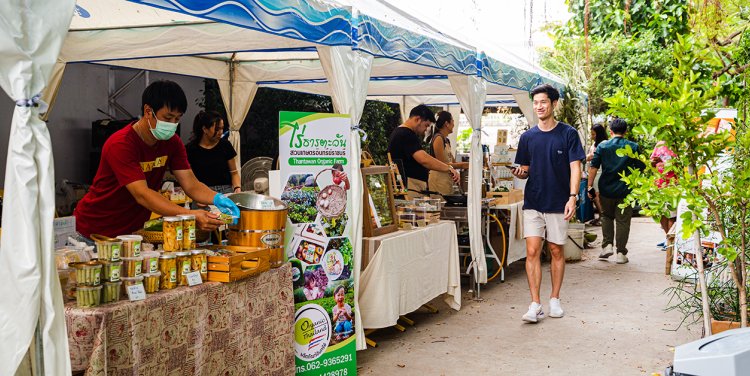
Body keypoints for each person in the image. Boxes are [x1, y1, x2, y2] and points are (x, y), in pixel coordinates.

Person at [74, 80, 240, 239]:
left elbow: (191, 184)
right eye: (168, 118)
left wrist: (219, 198)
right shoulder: (121, 144)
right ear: (148, 111)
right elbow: (142, 194)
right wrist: (191, 214)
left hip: (130, 232)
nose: (173, 124)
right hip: (92, 232)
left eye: (177, 118)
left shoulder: (172, 143)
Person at [512, 84, 585, 323]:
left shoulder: (568, 134)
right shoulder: (527, 137)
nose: (539, 106)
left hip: (558, 201)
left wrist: (573, 197)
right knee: (532, 251)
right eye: (536, 102)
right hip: (533, 201)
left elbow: (576, 167)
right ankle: (535, 304)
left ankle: (555, 299)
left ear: (554, 104)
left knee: (555, 250)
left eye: (543, 102)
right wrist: (521, 173)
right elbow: (525, 169)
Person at [587, 118, 645, 264]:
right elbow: (641, 166)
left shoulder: (602, 146)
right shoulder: (633, 146)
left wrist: (589, 186)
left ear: (610, 131)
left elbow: (593, 167)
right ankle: (620, 253)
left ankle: (607, 245)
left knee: (606, 216)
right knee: (623, 221)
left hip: (606, 188)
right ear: (626, 131)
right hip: (626, 190)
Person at [388, 105, 459, 199]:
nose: (426, 130)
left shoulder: (402, 132)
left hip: (410, 186)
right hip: (410, 187)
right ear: (418, 119)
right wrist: (449, 168)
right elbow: (424, 159)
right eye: (426, 125)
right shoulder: (406, 134)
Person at [185, 110, 241, 195]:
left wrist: (237, 188)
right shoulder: (191, 149)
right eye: (217, 129)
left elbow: (234, 173)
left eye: (222, 128)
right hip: (201, 191)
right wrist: (195, 195)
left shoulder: (225, 145)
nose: (221, 132)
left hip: (225, 191)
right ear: (205, 129)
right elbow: (187, 178)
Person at [428, 111, 469, 195]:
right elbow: (443, 164)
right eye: (453, 121)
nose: (454, 124)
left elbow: (453, 163)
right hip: (438, 179)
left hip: (446, 179)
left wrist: (466, 164)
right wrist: (463, 165)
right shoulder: (438, 138)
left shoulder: (446, 140)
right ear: (447, 123)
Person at [650, 141, 677, 250]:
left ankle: (671, 241)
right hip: (659, 184)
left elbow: (680, 165)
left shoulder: (676, 143)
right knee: (661, 213)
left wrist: (668, 164)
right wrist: (655, 161)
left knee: (671, 214)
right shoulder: (659, 144)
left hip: (672, 184)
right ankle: (667, 237)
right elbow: (652, 162)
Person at [585, 124, 609, 225]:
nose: (592, 136)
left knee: (596, 196)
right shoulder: (595, 144)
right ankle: (601, 216)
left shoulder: (604, 144)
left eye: (594, 134)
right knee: (594, 195)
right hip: (593, 172)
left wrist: (590, 157)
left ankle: (603, 217)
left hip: (598, 172)